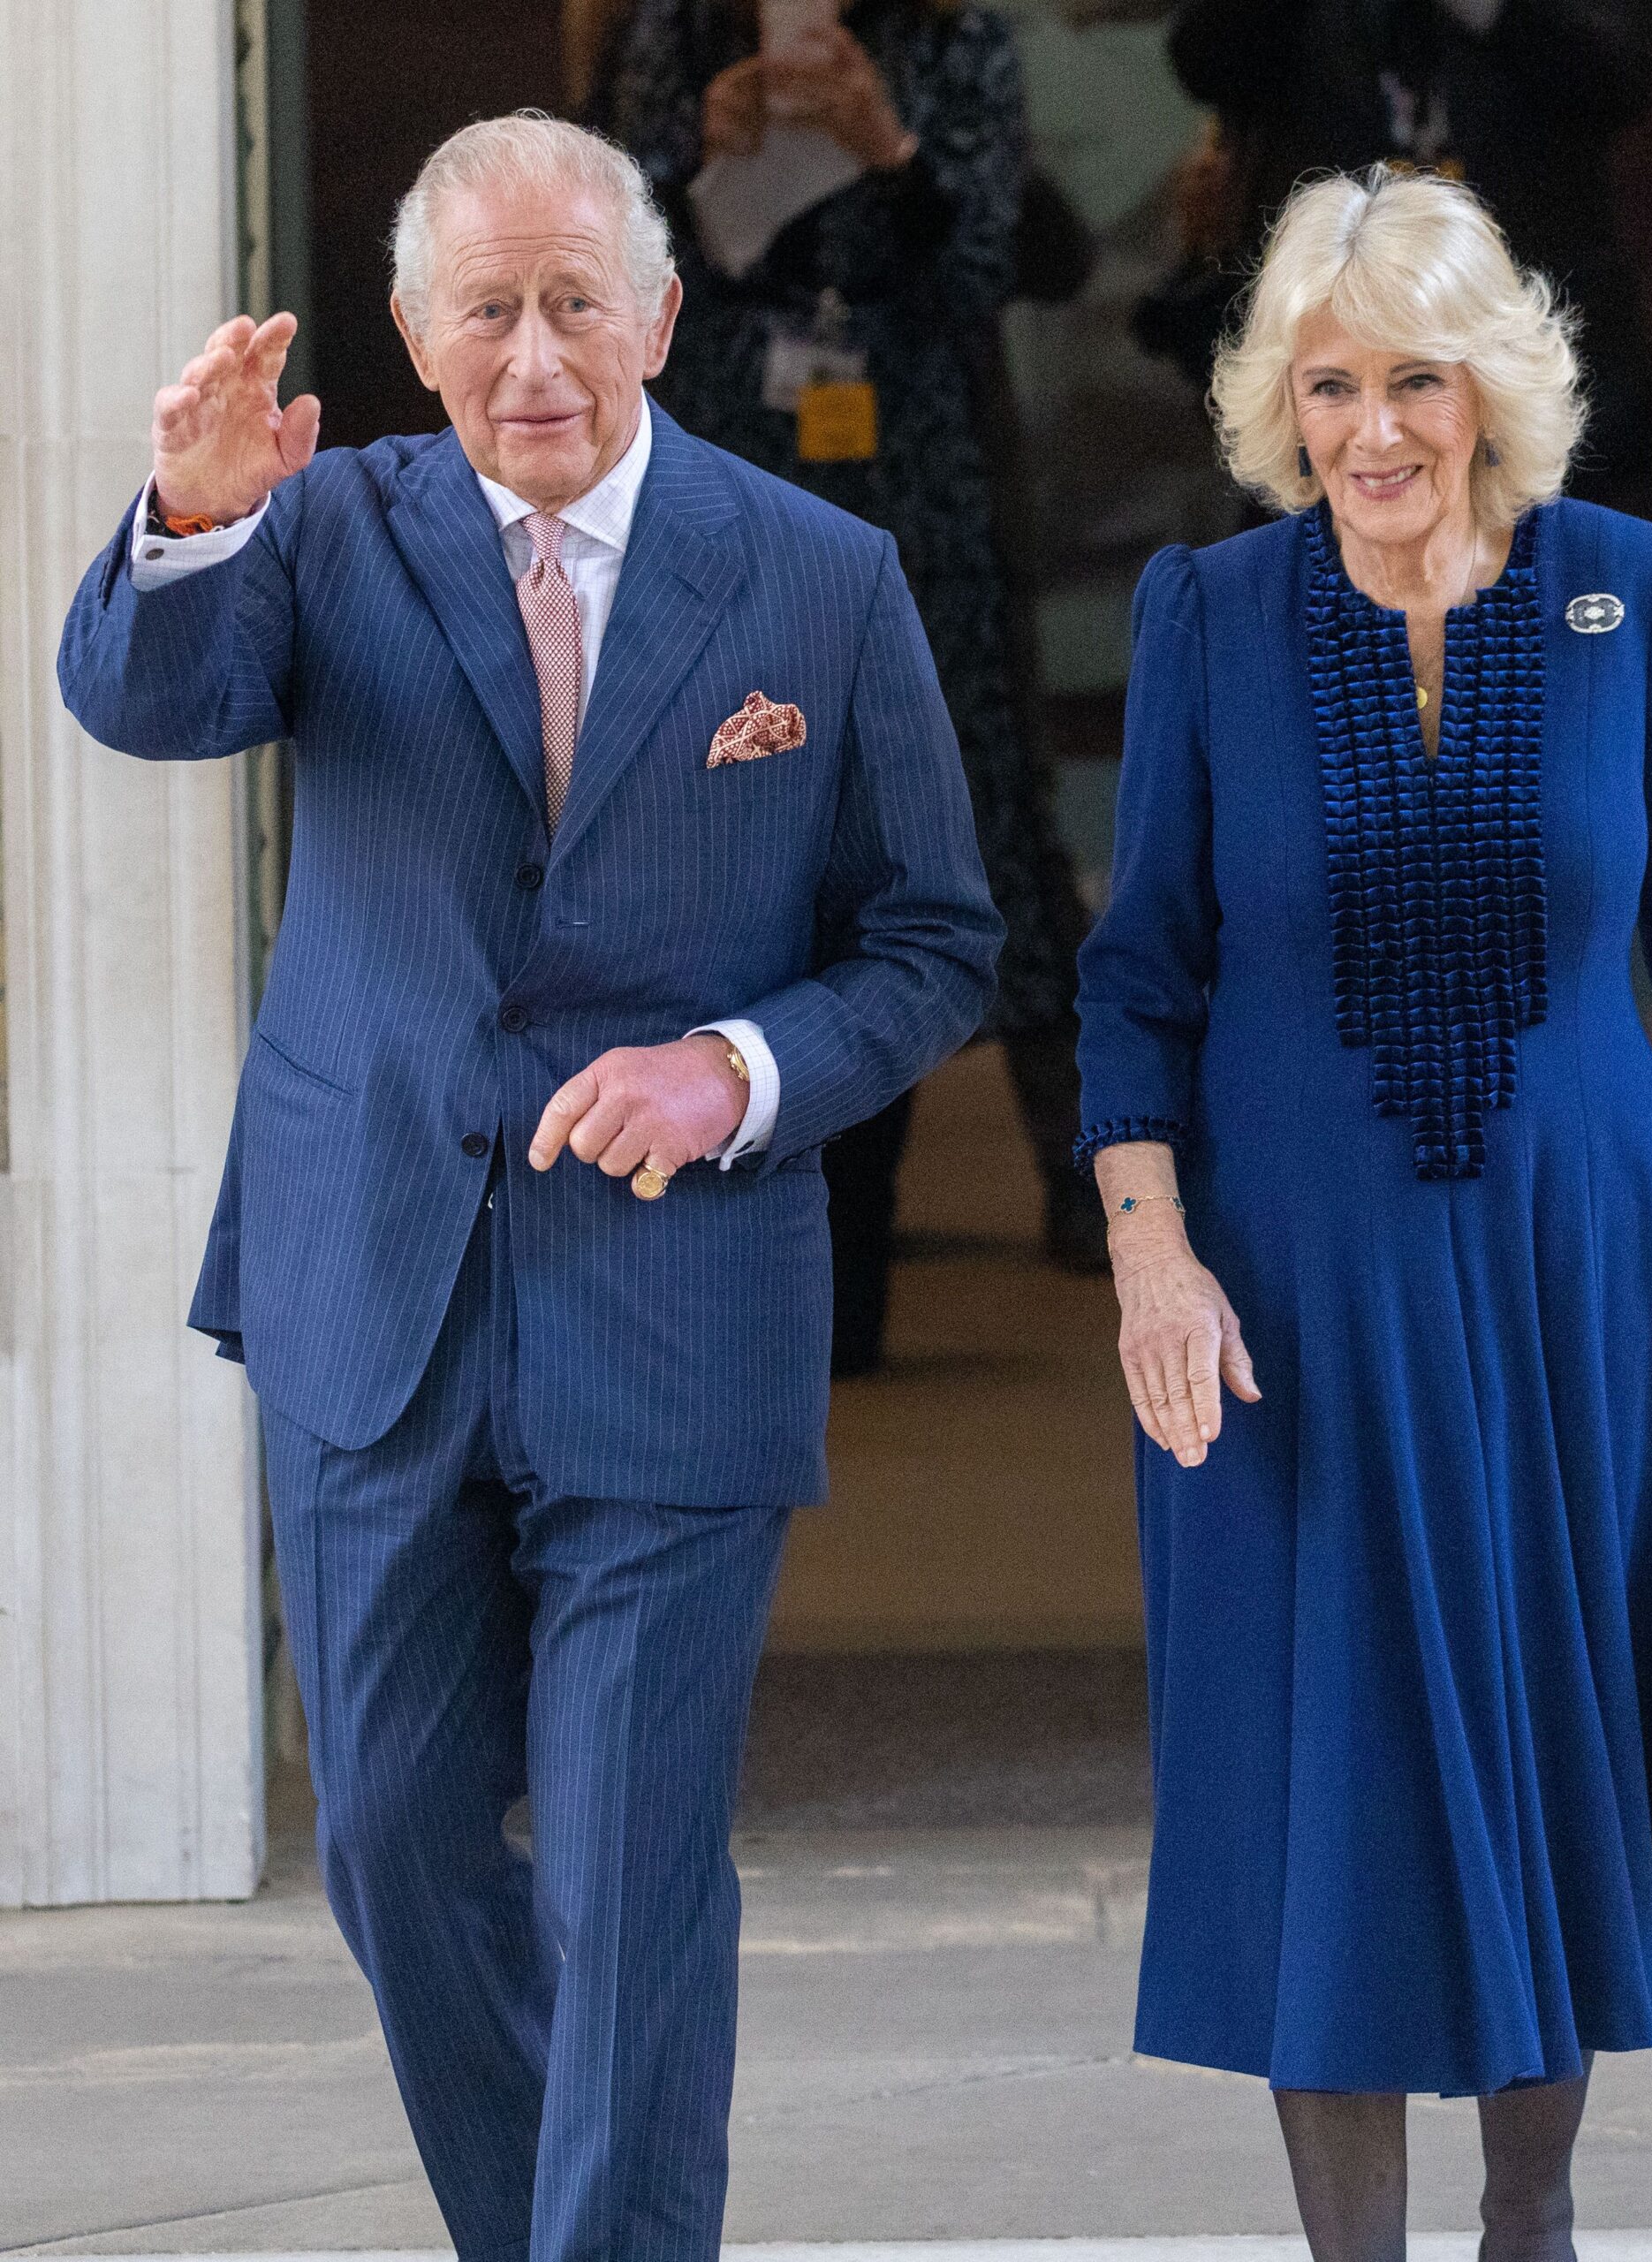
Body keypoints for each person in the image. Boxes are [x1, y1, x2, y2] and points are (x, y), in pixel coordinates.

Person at [58, 113, 998, 2262]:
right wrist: (191, 515)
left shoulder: (818, 575)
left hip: (673, 1319)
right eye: (486, 309)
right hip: (369, 1286)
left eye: (578, 301)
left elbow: (933, 941)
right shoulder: (319, 528)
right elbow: (143, 700)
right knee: (391, 1841)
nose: (537, 355)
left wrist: (732, 1069)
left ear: (659, 315)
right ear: (412, 334)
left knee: (633, 1874)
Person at [1076, 167, 1652, 2260]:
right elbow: (1136, 972)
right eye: (1328, 385)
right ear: (1281, 403)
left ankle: (1530, 2223)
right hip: (1281, 1296)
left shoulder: (1633, 585)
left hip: (1570, 1283)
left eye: (1413, 378)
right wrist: (1147, 1249)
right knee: (1319, 1765)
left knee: (1544, 1727)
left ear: (1489, 385)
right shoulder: (1208, 617)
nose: (1371, 430)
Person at [597, 0, 1105, 1373]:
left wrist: (889, 149)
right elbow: (600, 265)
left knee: (973, 799)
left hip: (910, 436)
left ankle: (1083, 1166)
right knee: (727, 789)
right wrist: (685, 150)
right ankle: (699, 1160)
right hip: (730, 422)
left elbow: (988, 262)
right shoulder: (678, 29)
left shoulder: (954, 38)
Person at [1146, 0, 1652, 501]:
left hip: (1528, 328)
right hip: (1327, 325)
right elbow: (1202, 59)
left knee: (1544, 522)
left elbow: (1622, 75)